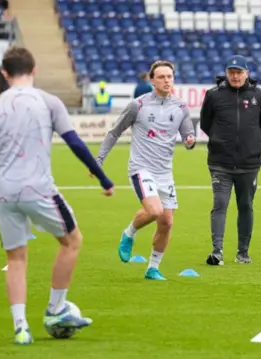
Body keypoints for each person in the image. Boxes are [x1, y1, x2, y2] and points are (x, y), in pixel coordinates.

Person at [0, 46, 115, 345]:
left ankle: (21, 328)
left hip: (5, 193)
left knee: (16, 258)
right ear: (34, 70)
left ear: (4, 73)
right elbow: (74, 142)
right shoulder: (48, 101)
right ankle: (56, 308)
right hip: (38, 188)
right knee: (72, 241)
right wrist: (102, 178)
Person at [95, 60, 196, 280]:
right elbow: (114, 133)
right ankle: (129, 233)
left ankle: (152, 268)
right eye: (161, 77)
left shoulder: (180, 106)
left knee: (167, 222)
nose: (167, 80)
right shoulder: (137, 106)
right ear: (152, 80)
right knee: (154, 211)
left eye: (170, 76)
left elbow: (188, 131)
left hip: (164, 172)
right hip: (141, 168)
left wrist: (190, 140)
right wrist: (99, 160)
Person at [200, 55, 261, 265]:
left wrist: (253, 144)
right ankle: (217, 251)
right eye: (231, 72)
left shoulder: (260, 95)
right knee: (220, 204)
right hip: (220, 163)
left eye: (239, 72)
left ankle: (243, 252)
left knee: (246, 206)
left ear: (246, 73)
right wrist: (220, 141)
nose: (235, 76)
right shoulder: (214, 95)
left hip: (249, 164)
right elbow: (206, 124)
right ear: (226, 73)